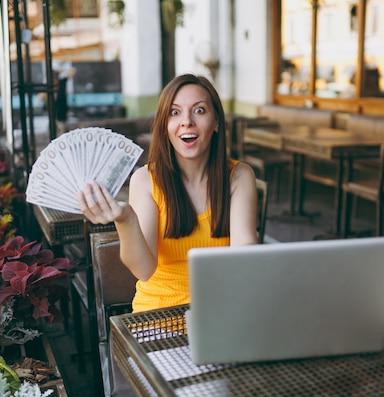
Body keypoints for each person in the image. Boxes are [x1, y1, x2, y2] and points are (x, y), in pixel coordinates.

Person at [77, 74, 258, 312]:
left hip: (221, 308)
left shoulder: (239, 176)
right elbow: (143, 270)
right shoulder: (145, 180)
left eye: (199, 111)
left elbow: (244, 253)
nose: (186, 122)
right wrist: (126, 219)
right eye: (175, 112)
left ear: (216, 122)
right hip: (158, 314)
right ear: (164, 125)